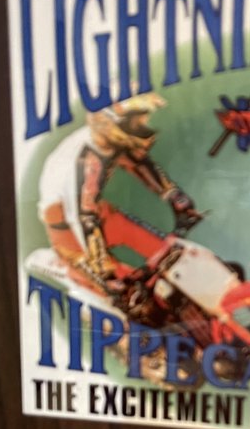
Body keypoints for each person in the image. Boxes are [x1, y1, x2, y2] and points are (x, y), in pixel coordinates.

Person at [38, 92, 200, 293]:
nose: (140, 126)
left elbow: (138, 163)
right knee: (127, 294)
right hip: (67, 229)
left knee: (171, 253)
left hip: (97, 214)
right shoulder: (85, 161)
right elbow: (82, 218)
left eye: (140, 121)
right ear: (107, 121)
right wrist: (104, 272)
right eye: (134, 122)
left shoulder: (108, 140)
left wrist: (175, 197)